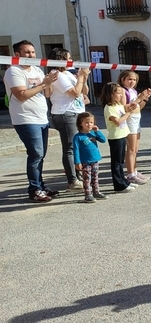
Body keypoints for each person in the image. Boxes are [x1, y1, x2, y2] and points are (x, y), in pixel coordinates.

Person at [3, 40, 60, 202]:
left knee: (41, 155)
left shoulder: (36, 69)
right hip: (25, 119)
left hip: (42, 118)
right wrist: (44, 84)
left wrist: (49, 82)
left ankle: (41, 186)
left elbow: (47, 93)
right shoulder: (13, 71)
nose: (31, 55)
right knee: (35, 154)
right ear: (17, 55)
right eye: (27, 52)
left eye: (33, 52)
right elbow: (22, 95)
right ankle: (34, 189)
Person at [47, 48, 89, 191]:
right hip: (66, 113)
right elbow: (74, 93)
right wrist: (81, 78)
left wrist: (83, 77)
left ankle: (77, 175)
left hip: (77, 111)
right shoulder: (56, 74)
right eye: (68, 58)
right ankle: (72, 180)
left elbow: (84, 91)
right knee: (70, 147)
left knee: (78, 145)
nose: (71, 61)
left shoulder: (67, 73)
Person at [101, 82, 136, 192]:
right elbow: (117, 121)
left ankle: (124, 181)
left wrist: (131, 108)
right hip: (115, 137)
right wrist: (128, 113)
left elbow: (125, 112)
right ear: (111, 94)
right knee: (116, 162)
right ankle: (119, 185)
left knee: (120, 161)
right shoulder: (109, 107)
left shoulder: (118, 105)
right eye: (119, 93)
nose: (121, 96)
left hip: (122, 135)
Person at [119, 70, 151, 184]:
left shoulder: (132, 90)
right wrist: (139, 98)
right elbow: (125, 107)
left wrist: (144, 98)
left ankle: (135, 171)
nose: (132, 81)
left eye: (134, 79)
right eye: (129, 79)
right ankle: (130, 173)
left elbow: (139, 106)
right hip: (130, 120)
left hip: (137, 118)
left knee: (135, 149)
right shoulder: (123, 91)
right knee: (131, 149)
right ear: (123, 79)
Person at [72, 112, 108, 202]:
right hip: (85, 161)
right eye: (87, 122)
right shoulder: (78, 137)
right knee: (87, 178)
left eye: (91, 122)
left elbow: (103, 140)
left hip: (95, 159)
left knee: (95, 176)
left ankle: (96, 192)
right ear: (81, 124)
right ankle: (88, 194)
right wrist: (77, 162)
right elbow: (75, 150)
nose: (89, 124)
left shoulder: (93, 133)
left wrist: (97, 131)